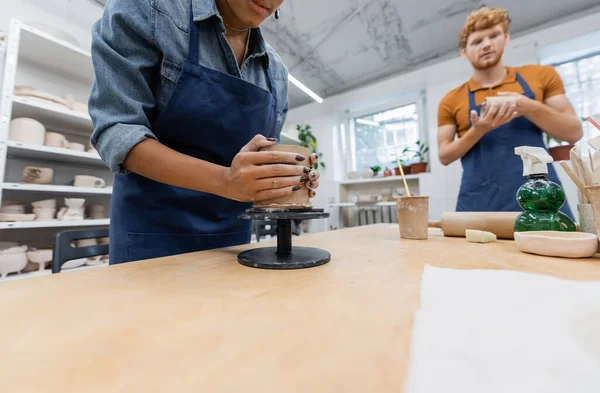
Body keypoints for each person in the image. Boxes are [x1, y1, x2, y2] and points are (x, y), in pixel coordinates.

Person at [88, 0, 320, 264]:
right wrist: (226, 181)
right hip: (151, 238)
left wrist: (285, 181)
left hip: (231, 245)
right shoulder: (149, 9)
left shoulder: (275, 72)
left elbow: (261, 157)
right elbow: (117, 129)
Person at [437, 7, 582, 215]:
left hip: (539, 198)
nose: (486, 44)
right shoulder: (450, 100)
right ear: (464, 52)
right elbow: (444, 155)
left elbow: (573, 132)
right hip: (478, 202)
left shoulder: (540, 76)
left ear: (505, 37)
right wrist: (479, 129)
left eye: (494, 36)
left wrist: (527, 105)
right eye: (477, 41)